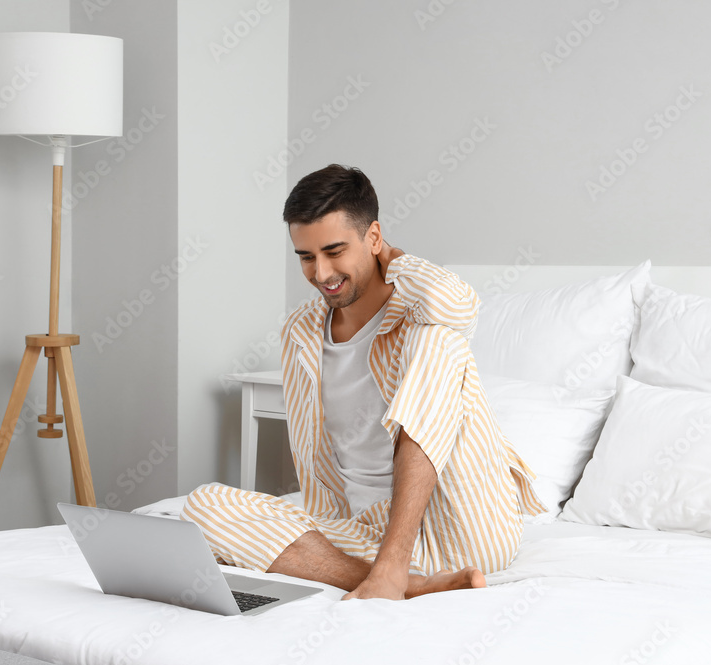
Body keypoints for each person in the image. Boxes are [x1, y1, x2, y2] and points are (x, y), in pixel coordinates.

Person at [181, 164, 544, 600]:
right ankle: (407, 583)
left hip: (464, 521)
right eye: (306, 257)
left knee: (440, 343)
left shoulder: (419, 313)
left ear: (373, 238)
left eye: (335, 251)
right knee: (203, 506)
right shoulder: (301, 332)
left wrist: (396, 259)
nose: (321, 273)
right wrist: (318, 534)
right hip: (366, 530)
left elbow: (459, 305)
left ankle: (391, 569)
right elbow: (319, 467)